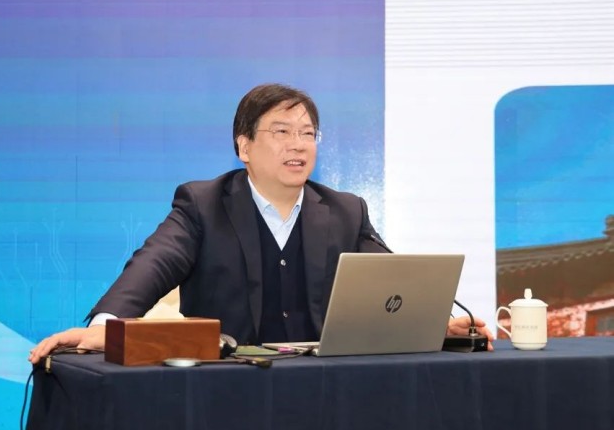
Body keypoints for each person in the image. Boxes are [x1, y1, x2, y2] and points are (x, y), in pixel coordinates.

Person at [29, 83, 493, 363]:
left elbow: (393, 287)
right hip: (230, 386)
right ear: (244, 146)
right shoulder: (203, 204)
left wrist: (438, 323)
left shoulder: (345, 210)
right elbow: (151, 266)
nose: (298, 144)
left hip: (325, 385)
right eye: (281, 131)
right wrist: (106, 327)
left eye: (307, 133)